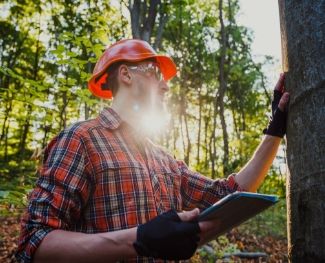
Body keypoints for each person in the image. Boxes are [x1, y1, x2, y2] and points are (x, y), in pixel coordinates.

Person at [16, 39, 289, 263]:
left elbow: (228, 195)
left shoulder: (164, 160)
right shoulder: (81, 140)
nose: (166, 85)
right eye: (156, 73)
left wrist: (275, 127)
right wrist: (140, 239)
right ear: (126, 74)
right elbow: (36, 241)